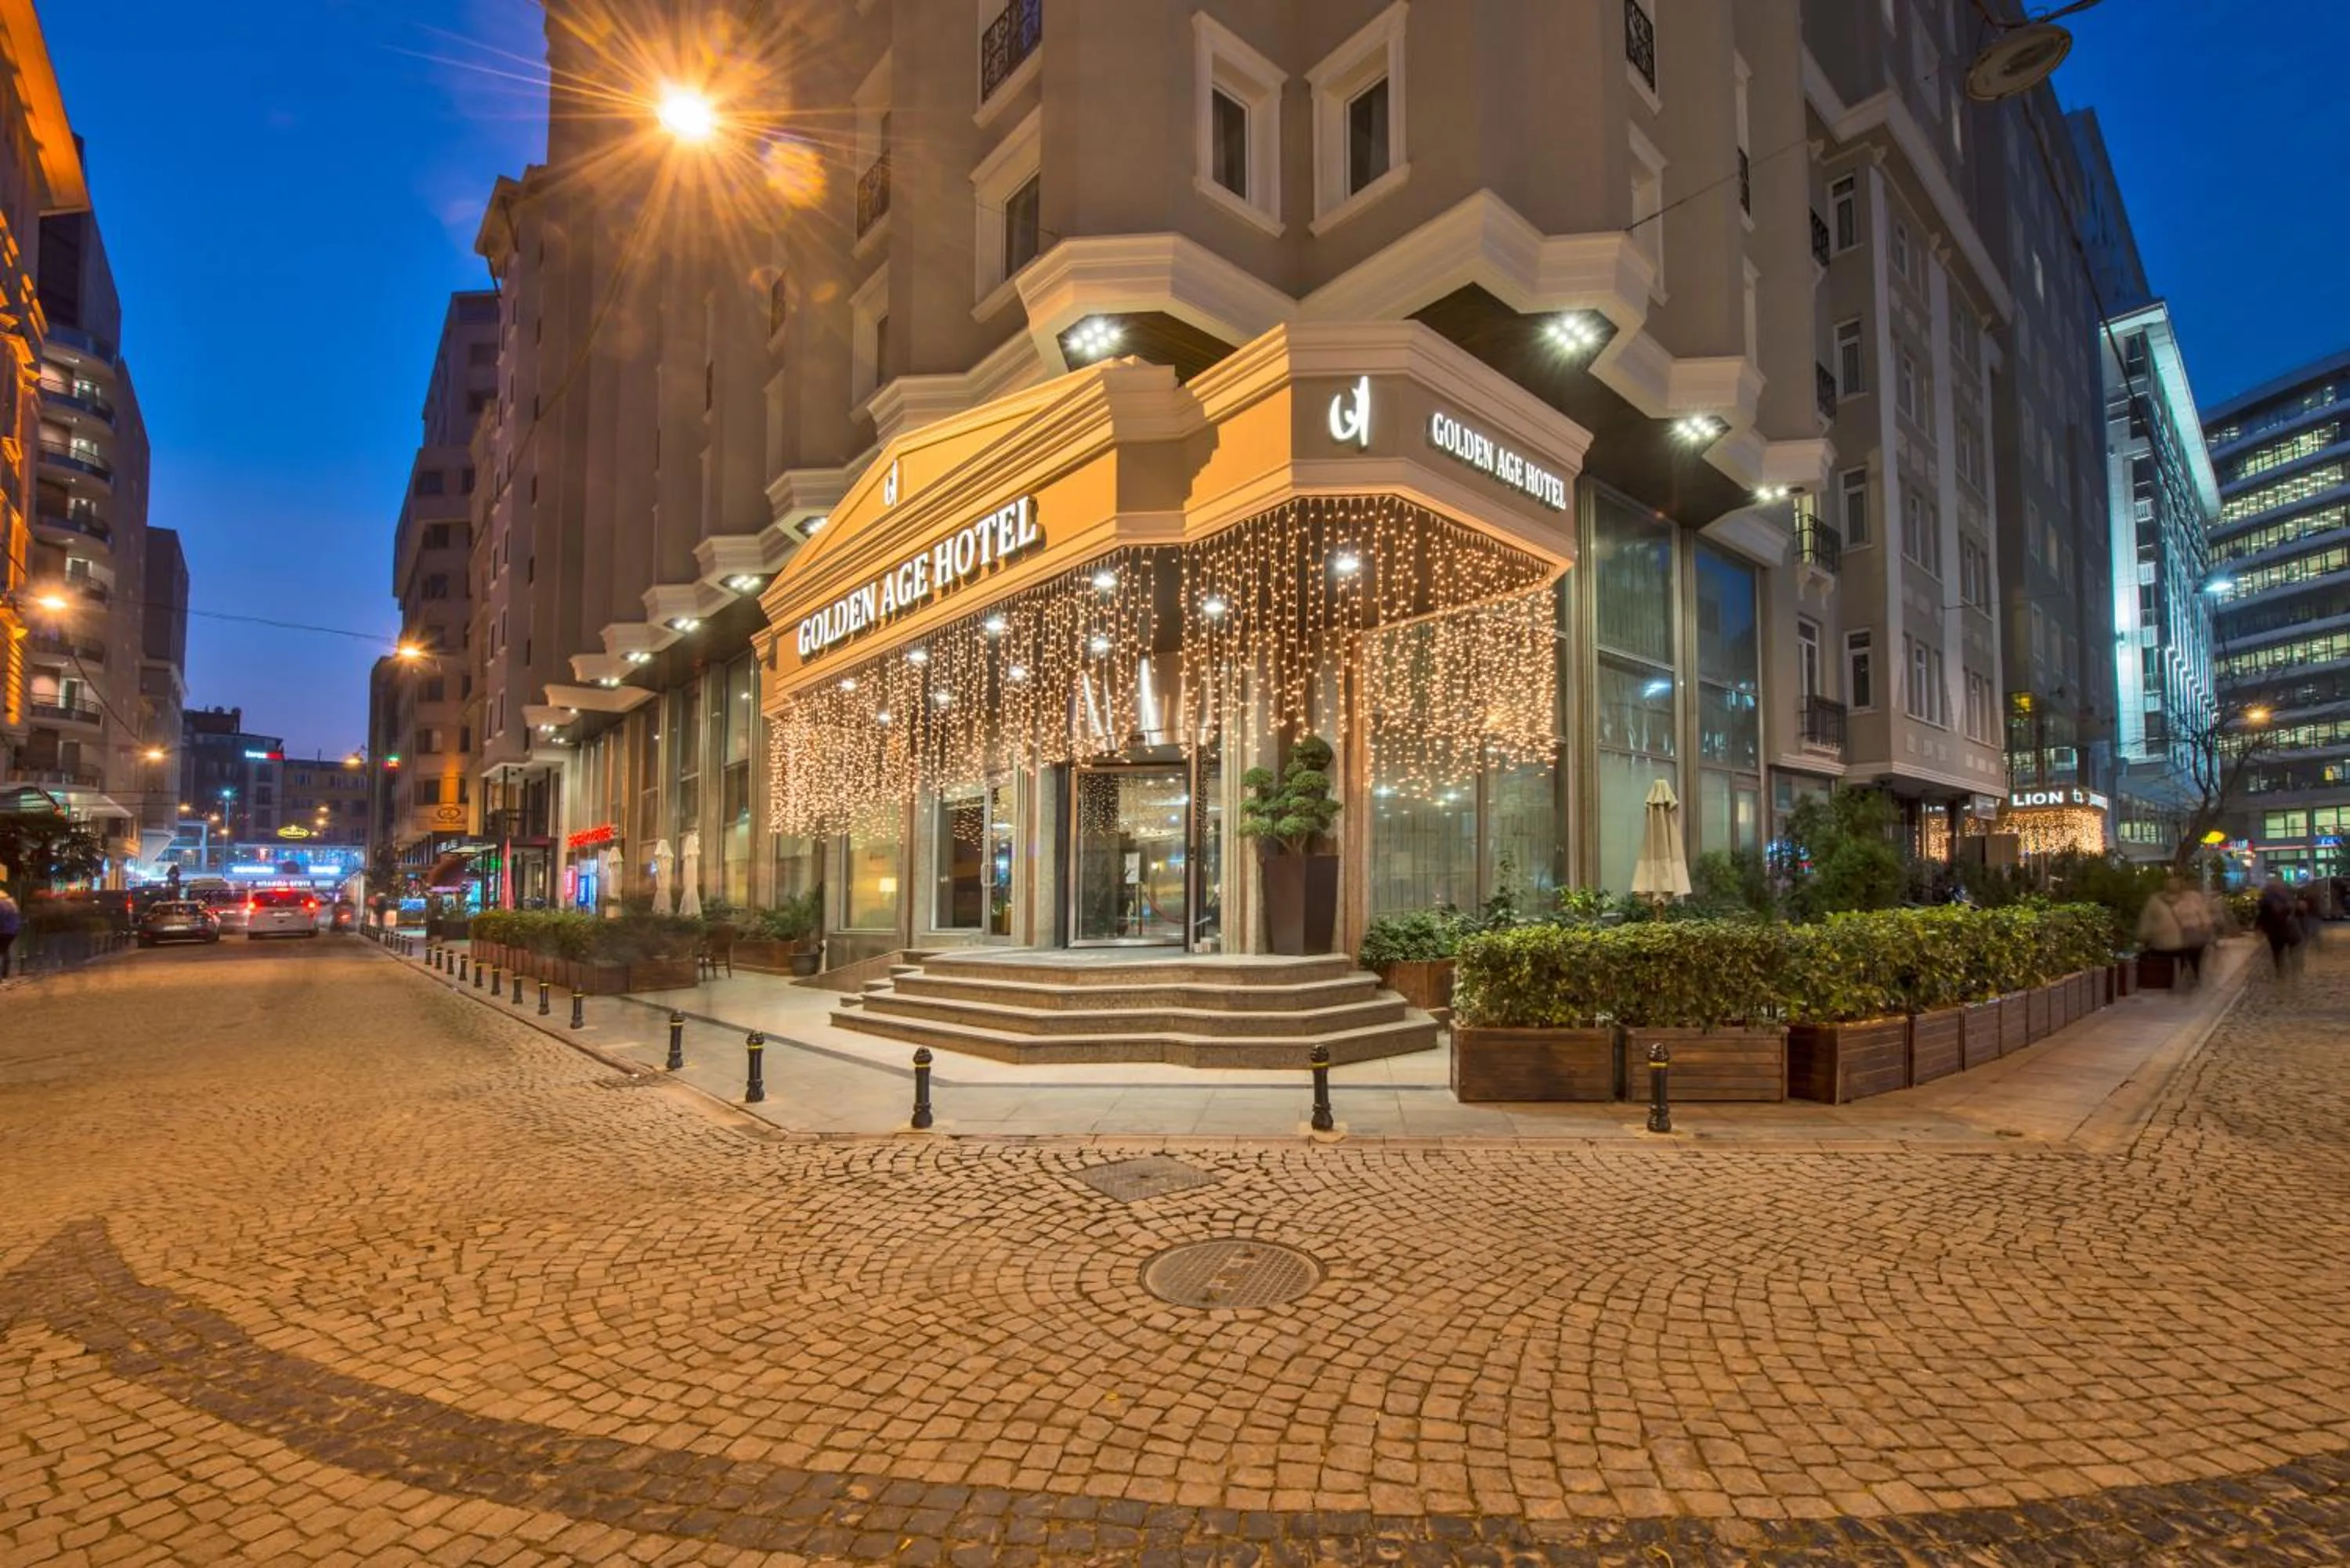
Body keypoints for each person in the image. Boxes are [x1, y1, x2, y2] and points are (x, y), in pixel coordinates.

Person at [2137, 876, 2206, 992]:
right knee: (2185, 959)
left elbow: (2146, 920)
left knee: (2182, 960)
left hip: (2179, 941)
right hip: (2181, 941)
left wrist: (2143, 936)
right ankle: (2187, 982)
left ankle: (2181, 982)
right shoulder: (2156, 900)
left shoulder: (2189, 898)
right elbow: (2147, 919)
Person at [2256, 875, 2303, 980]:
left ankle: (2285, 971)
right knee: (2279, 952)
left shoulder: (2283, 896)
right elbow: (2263, 913)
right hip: (2277, 930)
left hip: (2281, 930)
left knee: (2281, 952)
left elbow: (2262, 913)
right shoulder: (2272, 897)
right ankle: (2284, 971)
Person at [0, 883, 18, 980]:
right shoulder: (12, 904)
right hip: (11, 931)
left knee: (1, 952)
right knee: (5, 951)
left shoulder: (1, 904)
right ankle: (5, 974)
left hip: (2, 931)